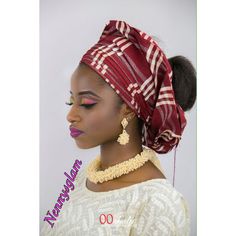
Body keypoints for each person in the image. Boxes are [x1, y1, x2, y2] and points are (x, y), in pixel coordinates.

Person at [41, 20, 196, 235]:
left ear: (129, 109)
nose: (71, 115)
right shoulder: (80, 178)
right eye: (71, 101)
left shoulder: (158, 204)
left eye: (87, 104)